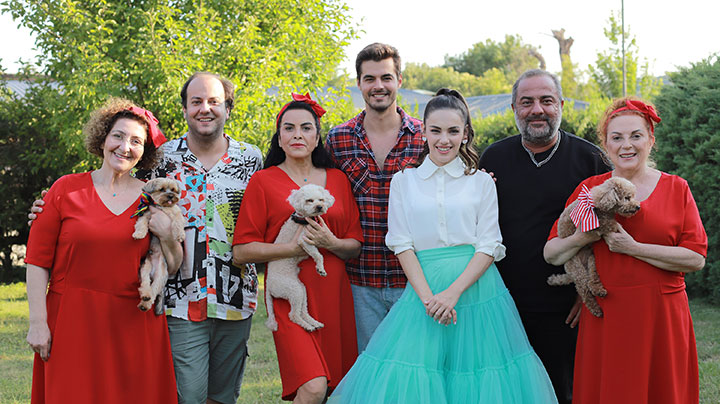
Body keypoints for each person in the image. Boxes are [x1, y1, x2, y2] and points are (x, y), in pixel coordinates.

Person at [28, 72, 264, 404]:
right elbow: (103, 195)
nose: (205, 109)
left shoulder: (250, 159)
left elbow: (265, 213)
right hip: (171, 303)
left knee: (222, 397)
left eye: (214, 101)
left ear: (228, 107)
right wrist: (44, 208)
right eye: (196, 101)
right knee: (186, 396)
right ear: (184, 108)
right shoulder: (160, 163)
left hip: (228, 299)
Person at [328, 89, 558, 404]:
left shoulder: (481, 182)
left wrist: (452, 294)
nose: (444, 139)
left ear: (465, 134)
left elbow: (489, 244)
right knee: (416, 378)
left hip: (476, 291)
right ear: (423, 132)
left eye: (453, 131)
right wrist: (430, 300)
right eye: (435, 130)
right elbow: (401, 244)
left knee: (477, 378)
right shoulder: (404, 182)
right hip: (423, 294)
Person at [544, 97, 707, 404]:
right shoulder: (589, 190)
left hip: (662, 314)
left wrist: (633, 248)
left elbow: (695, 258)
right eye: (617, 137)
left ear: (651, 140)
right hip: (609, 314)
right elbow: (551, 253)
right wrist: (582, 238)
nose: (626, 145)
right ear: (605, 145)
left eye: (636, 136)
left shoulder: (677, 188)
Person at [25, 98, 182, 403]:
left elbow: (173, 265)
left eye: (136, 141)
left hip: (134, 324)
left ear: (145, 152)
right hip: (71, 321)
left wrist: (167, 236)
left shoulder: (152, 198)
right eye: (118, 136)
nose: (125, 147)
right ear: (102, 139)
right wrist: (38, 323)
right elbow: (37, 261)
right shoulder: (64, 189)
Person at [478, 69, 611, 404]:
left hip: (566, 307)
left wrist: (586, 292)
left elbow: (609, 234)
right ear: (513, 108)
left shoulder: (591, 160)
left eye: (546, 100)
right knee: (508, 392)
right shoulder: (493, 158)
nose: (537, 109)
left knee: (561, 392)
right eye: (527, 102)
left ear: (561, 105)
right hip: (503, 303)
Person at [233, 93, 363, 403]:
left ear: (318, 137)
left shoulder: (338, 180)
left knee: (334, 390)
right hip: (287, 294)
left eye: (306, 128)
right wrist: (292, 249)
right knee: (313, 386)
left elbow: (354, 245)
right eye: (288, 128)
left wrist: (331, 243)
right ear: (279, 137)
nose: (297, 135)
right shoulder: (263, 182)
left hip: (334, 296)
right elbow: (241, 252)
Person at [325, 43, 423, 353]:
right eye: (369, 79)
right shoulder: (338, 139)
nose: (378, 86)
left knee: (413, 366)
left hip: (415, 280)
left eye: (386, 77)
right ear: (359, 83)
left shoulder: (425, 137)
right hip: (359, 281)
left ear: (399, 80)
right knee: (367, 367)